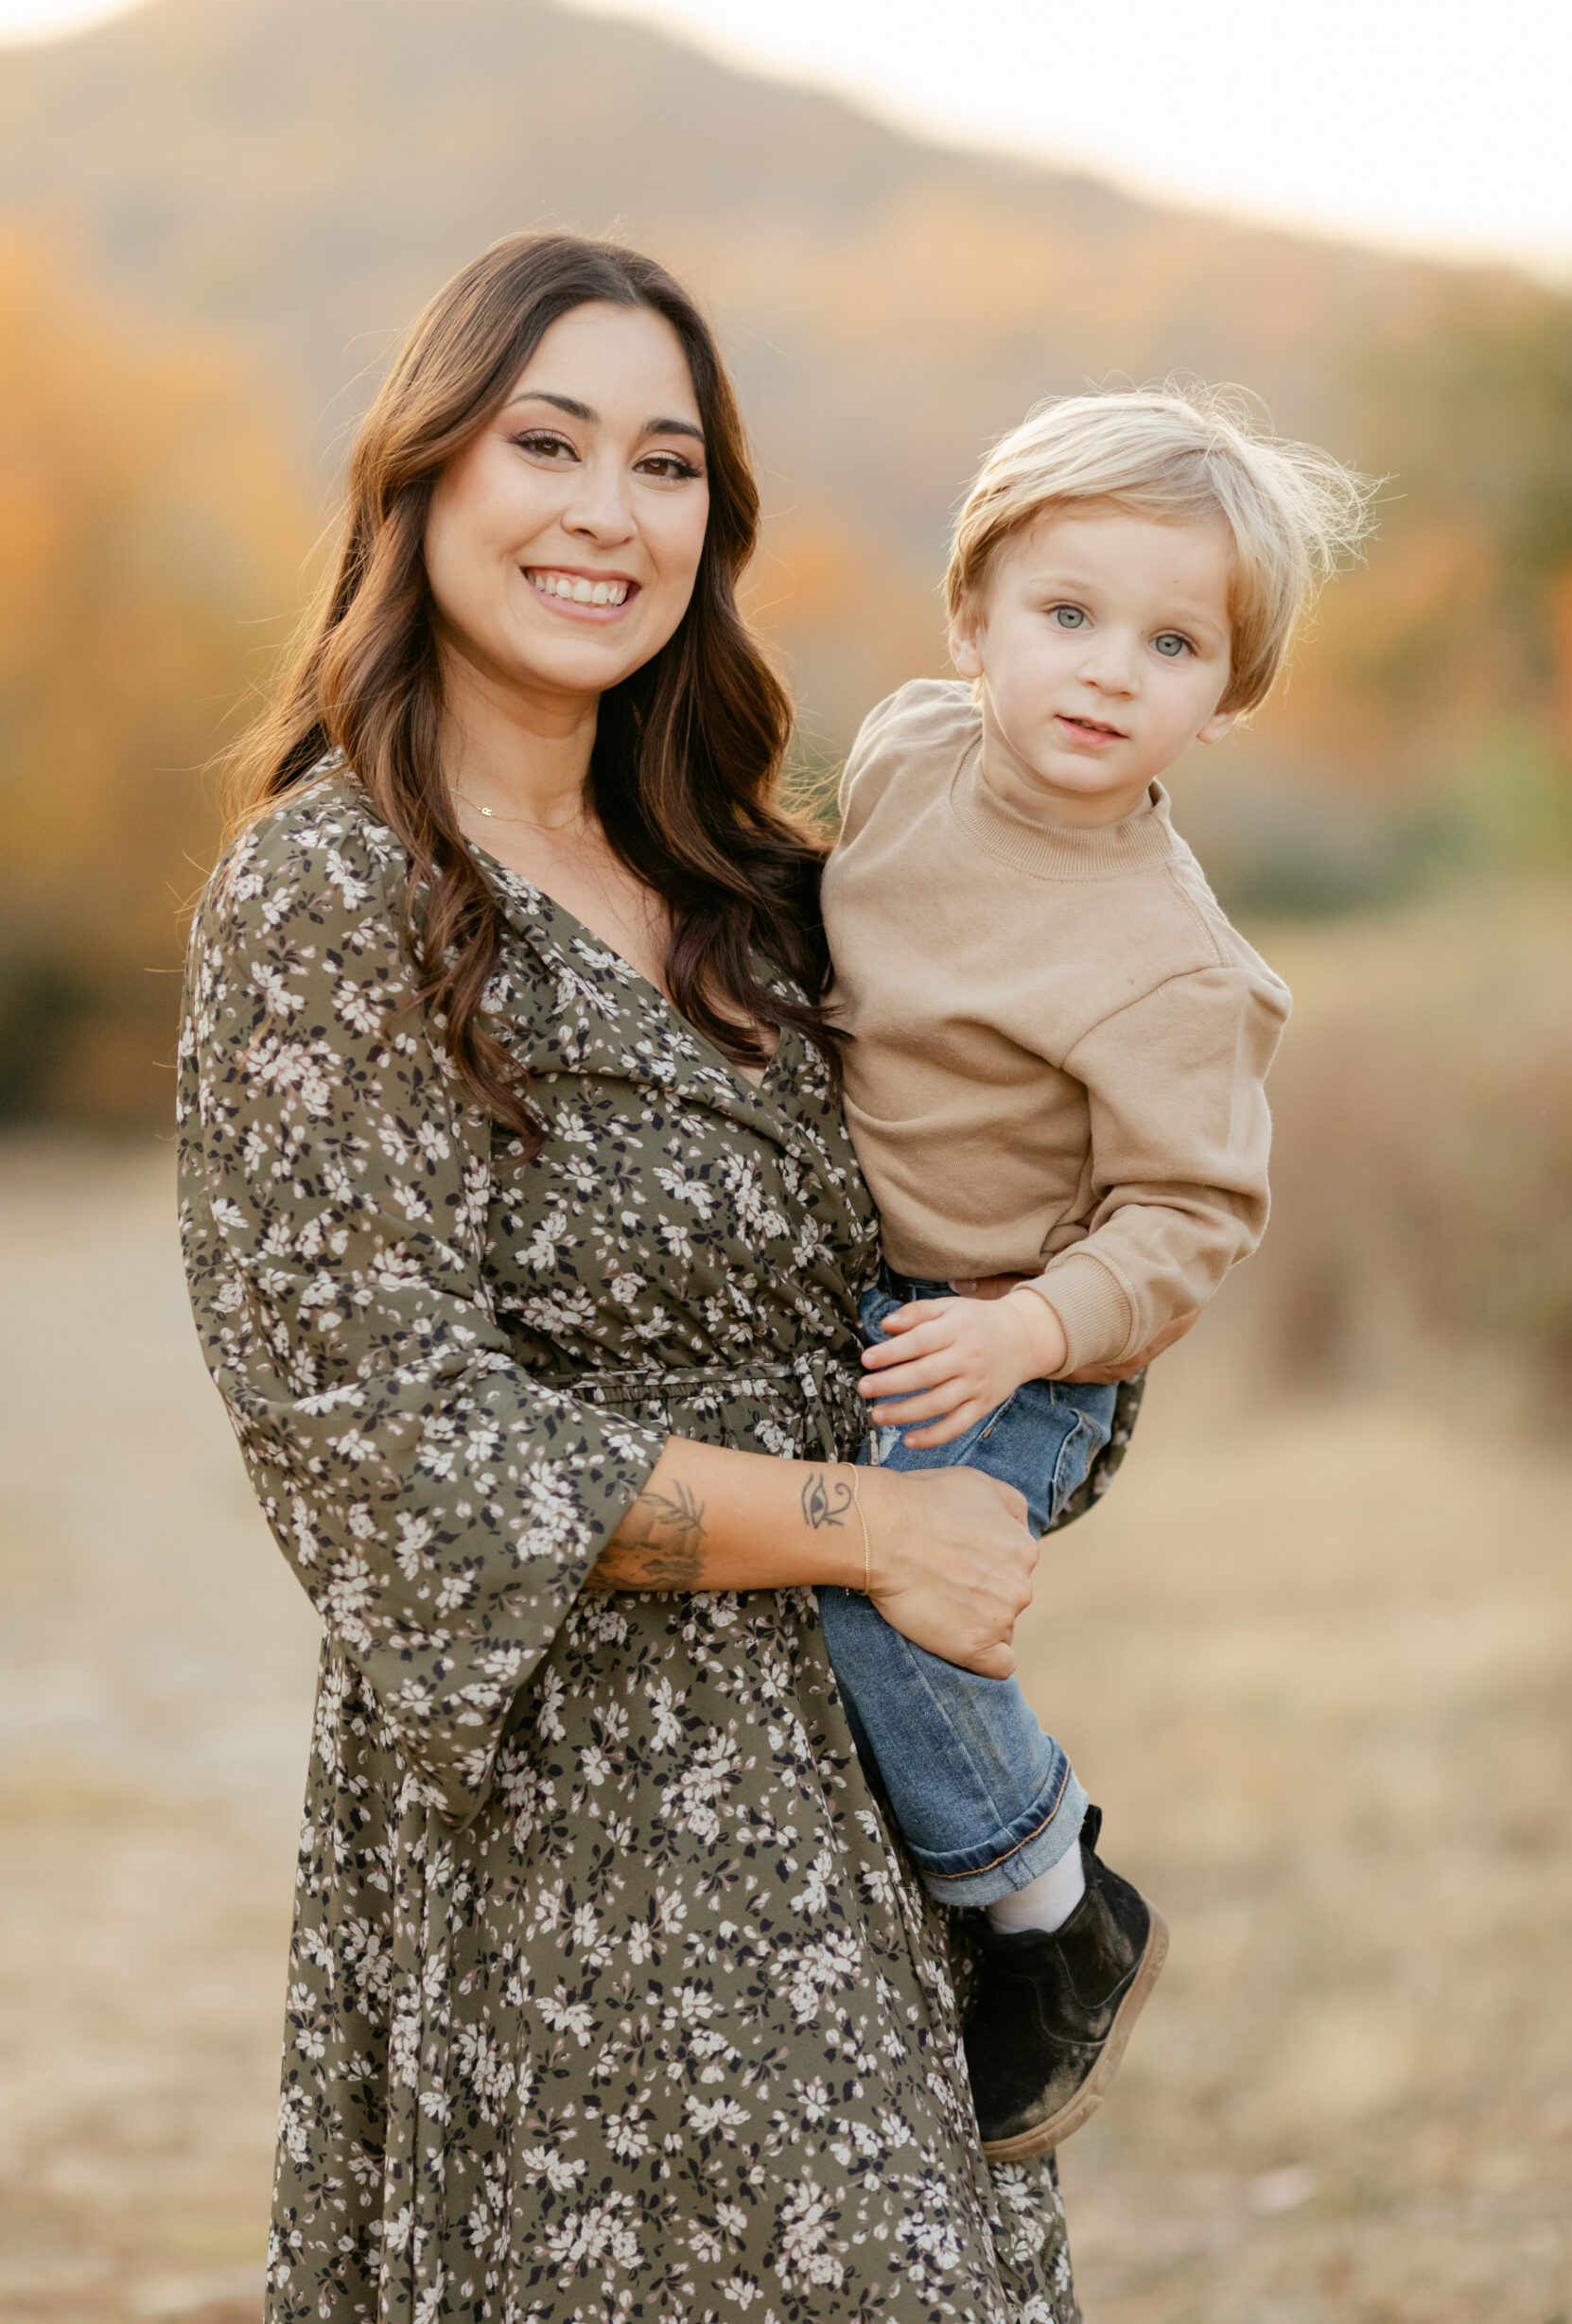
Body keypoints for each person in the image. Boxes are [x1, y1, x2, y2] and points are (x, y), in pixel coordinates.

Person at [178, 233, 1080, 2322]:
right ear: (419, 481)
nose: (609, 509)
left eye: (667, 464)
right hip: (581, 1832)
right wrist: (863, 1522)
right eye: (546, 442)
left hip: (877, 1797)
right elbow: (388, 1442)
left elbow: (956, 1264)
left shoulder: (754, 890)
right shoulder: (333, 891)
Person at [819, 387, 1374, 2158]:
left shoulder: (1171, 964)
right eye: (1066, 615)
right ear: (972, 614)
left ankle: (1055, 1906)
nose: (1109, 669)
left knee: (874, 1580)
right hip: (865, 1300)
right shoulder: (907, 752)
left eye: (1173, 642)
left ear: (1227, 697)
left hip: (1023, 1344)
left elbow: (1191, 1218)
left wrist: (1031, 1329)